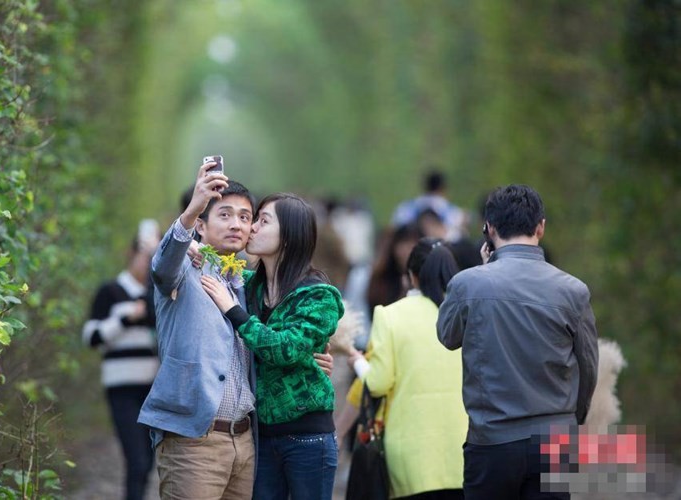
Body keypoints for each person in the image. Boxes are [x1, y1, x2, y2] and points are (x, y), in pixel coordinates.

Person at [137, 164, 332, 499]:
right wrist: (193, 207)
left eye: (246, 217)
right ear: (201, 225)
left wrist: (313, 359)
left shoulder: (245, 284)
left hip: (246, 442)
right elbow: (162, 265)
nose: (238, 224)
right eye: (225, 215)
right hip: (194, 439)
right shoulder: (184, 268)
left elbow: (280, 334)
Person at [436, 184, 599, 500]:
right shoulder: (574, 290)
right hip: (555, 439)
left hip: (492, 440)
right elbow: (589, 367)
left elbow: (447, 336)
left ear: (489, 229)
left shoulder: (467, 283)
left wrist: (483, 271)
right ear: (541, 227)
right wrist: (571, 419)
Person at [201, 192, 344, 500]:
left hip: (307, 437)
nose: (251, 227)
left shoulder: (320, 296)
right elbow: (203, 258)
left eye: (262, 221)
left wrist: (233, 311)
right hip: (260, 437)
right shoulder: (246, 285)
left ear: (290, 237)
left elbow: (286, 349)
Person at [346, 238, 466, 499]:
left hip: (413, 454)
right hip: (464, 449)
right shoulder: (465, 315)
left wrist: (357, 361)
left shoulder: (390, 316)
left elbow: (377, 383)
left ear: (411, 276)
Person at [82, 221, 160, 500]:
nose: (147, 262)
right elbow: (91, 337)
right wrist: (126, 318)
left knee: (148, 462)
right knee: (136, 459)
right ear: (131, 254)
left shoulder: (158, 297)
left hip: (153, 390)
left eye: (153, 256)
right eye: (144, 254)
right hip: (122, 388)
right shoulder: (110, 291)